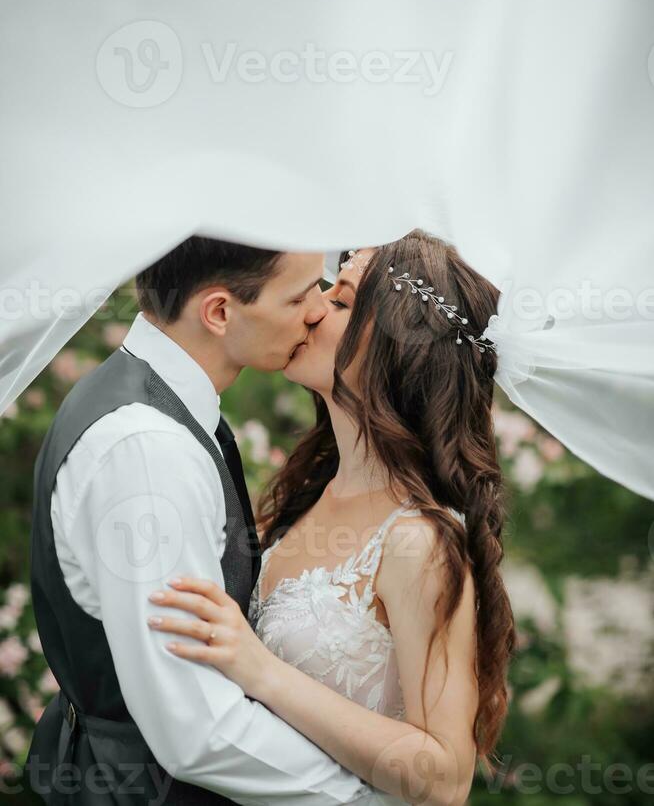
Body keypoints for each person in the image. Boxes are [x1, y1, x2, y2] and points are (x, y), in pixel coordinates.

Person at [144, 231, 517, 806]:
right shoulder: (303, 497)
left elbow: (444, 778)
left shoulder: (418, 539)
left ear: (398, 345)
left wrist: (261, 671)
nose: (312, 309)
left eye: (339, 301)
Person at [25, 237, 386, 805]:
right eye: (296, 299)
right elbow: (197, 730)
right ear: (219, 312)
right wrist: (366, 800)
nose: (318, 310)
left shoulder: (156, 407)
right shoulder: (148, 450)